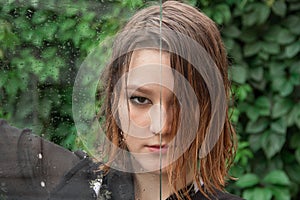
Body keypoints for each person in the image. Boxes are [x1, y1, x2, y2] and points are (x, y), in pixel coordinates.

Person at [0, 1, 242, 199]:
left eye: (182, 102)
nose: (162, 126)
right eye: (140, 99)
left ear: (212, 106)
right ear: (114, 101)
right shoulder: (74, 183)